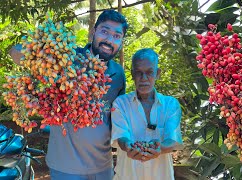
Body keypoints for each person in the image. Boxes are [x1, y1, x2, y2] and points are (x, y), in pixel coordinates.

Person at [9, 9, 128, 180]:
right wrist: (37, 51)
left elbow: (118, 115)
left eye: (117, 36)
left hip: (103, 166)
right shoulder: (69, 57)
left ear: (121, 41)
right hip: (65, 167)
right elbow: (15, 53)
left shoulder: (118, 73)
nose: (109, 40)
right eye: (104, 31)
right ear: (94, 31)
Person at [111, 48, 183, 180]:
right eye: (139, 73)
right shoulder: (120, 104)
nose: (144, 79)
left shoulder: (170, 105)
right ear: (132, 74)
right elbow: (121, 137)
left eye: (149, 72)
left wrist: (160, 148)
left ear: (158, 73)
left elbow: (172, 140)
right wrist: (128, 147)